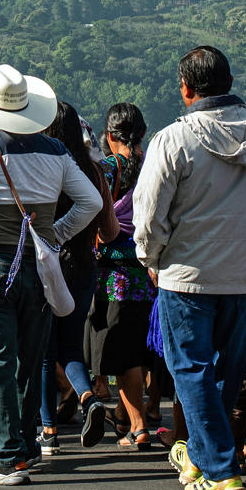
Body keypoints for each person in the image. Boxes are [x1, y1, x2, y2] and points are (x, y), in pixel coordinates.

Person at [132, 46, 246, 490]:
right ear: (228, 81)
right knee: (226, 371)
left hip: (186, 277)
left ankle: (222, 469)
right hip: (245, 276)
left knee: (191, 370)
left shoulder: (173, 140)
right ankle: (205, 460)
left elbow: (149, 217)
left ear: (186, 88)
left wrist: (152, 259)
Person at [0, 65, 103, 487]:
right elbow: (92, 203)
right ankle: (25, 448)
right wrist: (55, 235)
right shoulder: (57, 152)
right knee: (30, 359)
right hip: (40, 267)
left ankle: (6, 459)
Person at [36, 100, 116, 458]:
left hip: (46, 266)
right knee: (70, 346)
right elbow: (110, 230)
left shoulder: (42, 167)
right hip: (84, 267)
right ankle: (87, 398)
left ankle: (48, 430)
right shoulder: (95, 171)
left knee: (42, 351)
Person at [90, 102, 159, 452]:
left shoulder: (106, 170)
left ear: (109, 136)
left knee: (123, 353)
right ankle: (138, 415)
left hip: (114, 273)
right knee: (145, 349)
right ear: (143, 133)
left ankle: (138, 425)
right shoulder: (154, 164)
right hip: (152, 270)